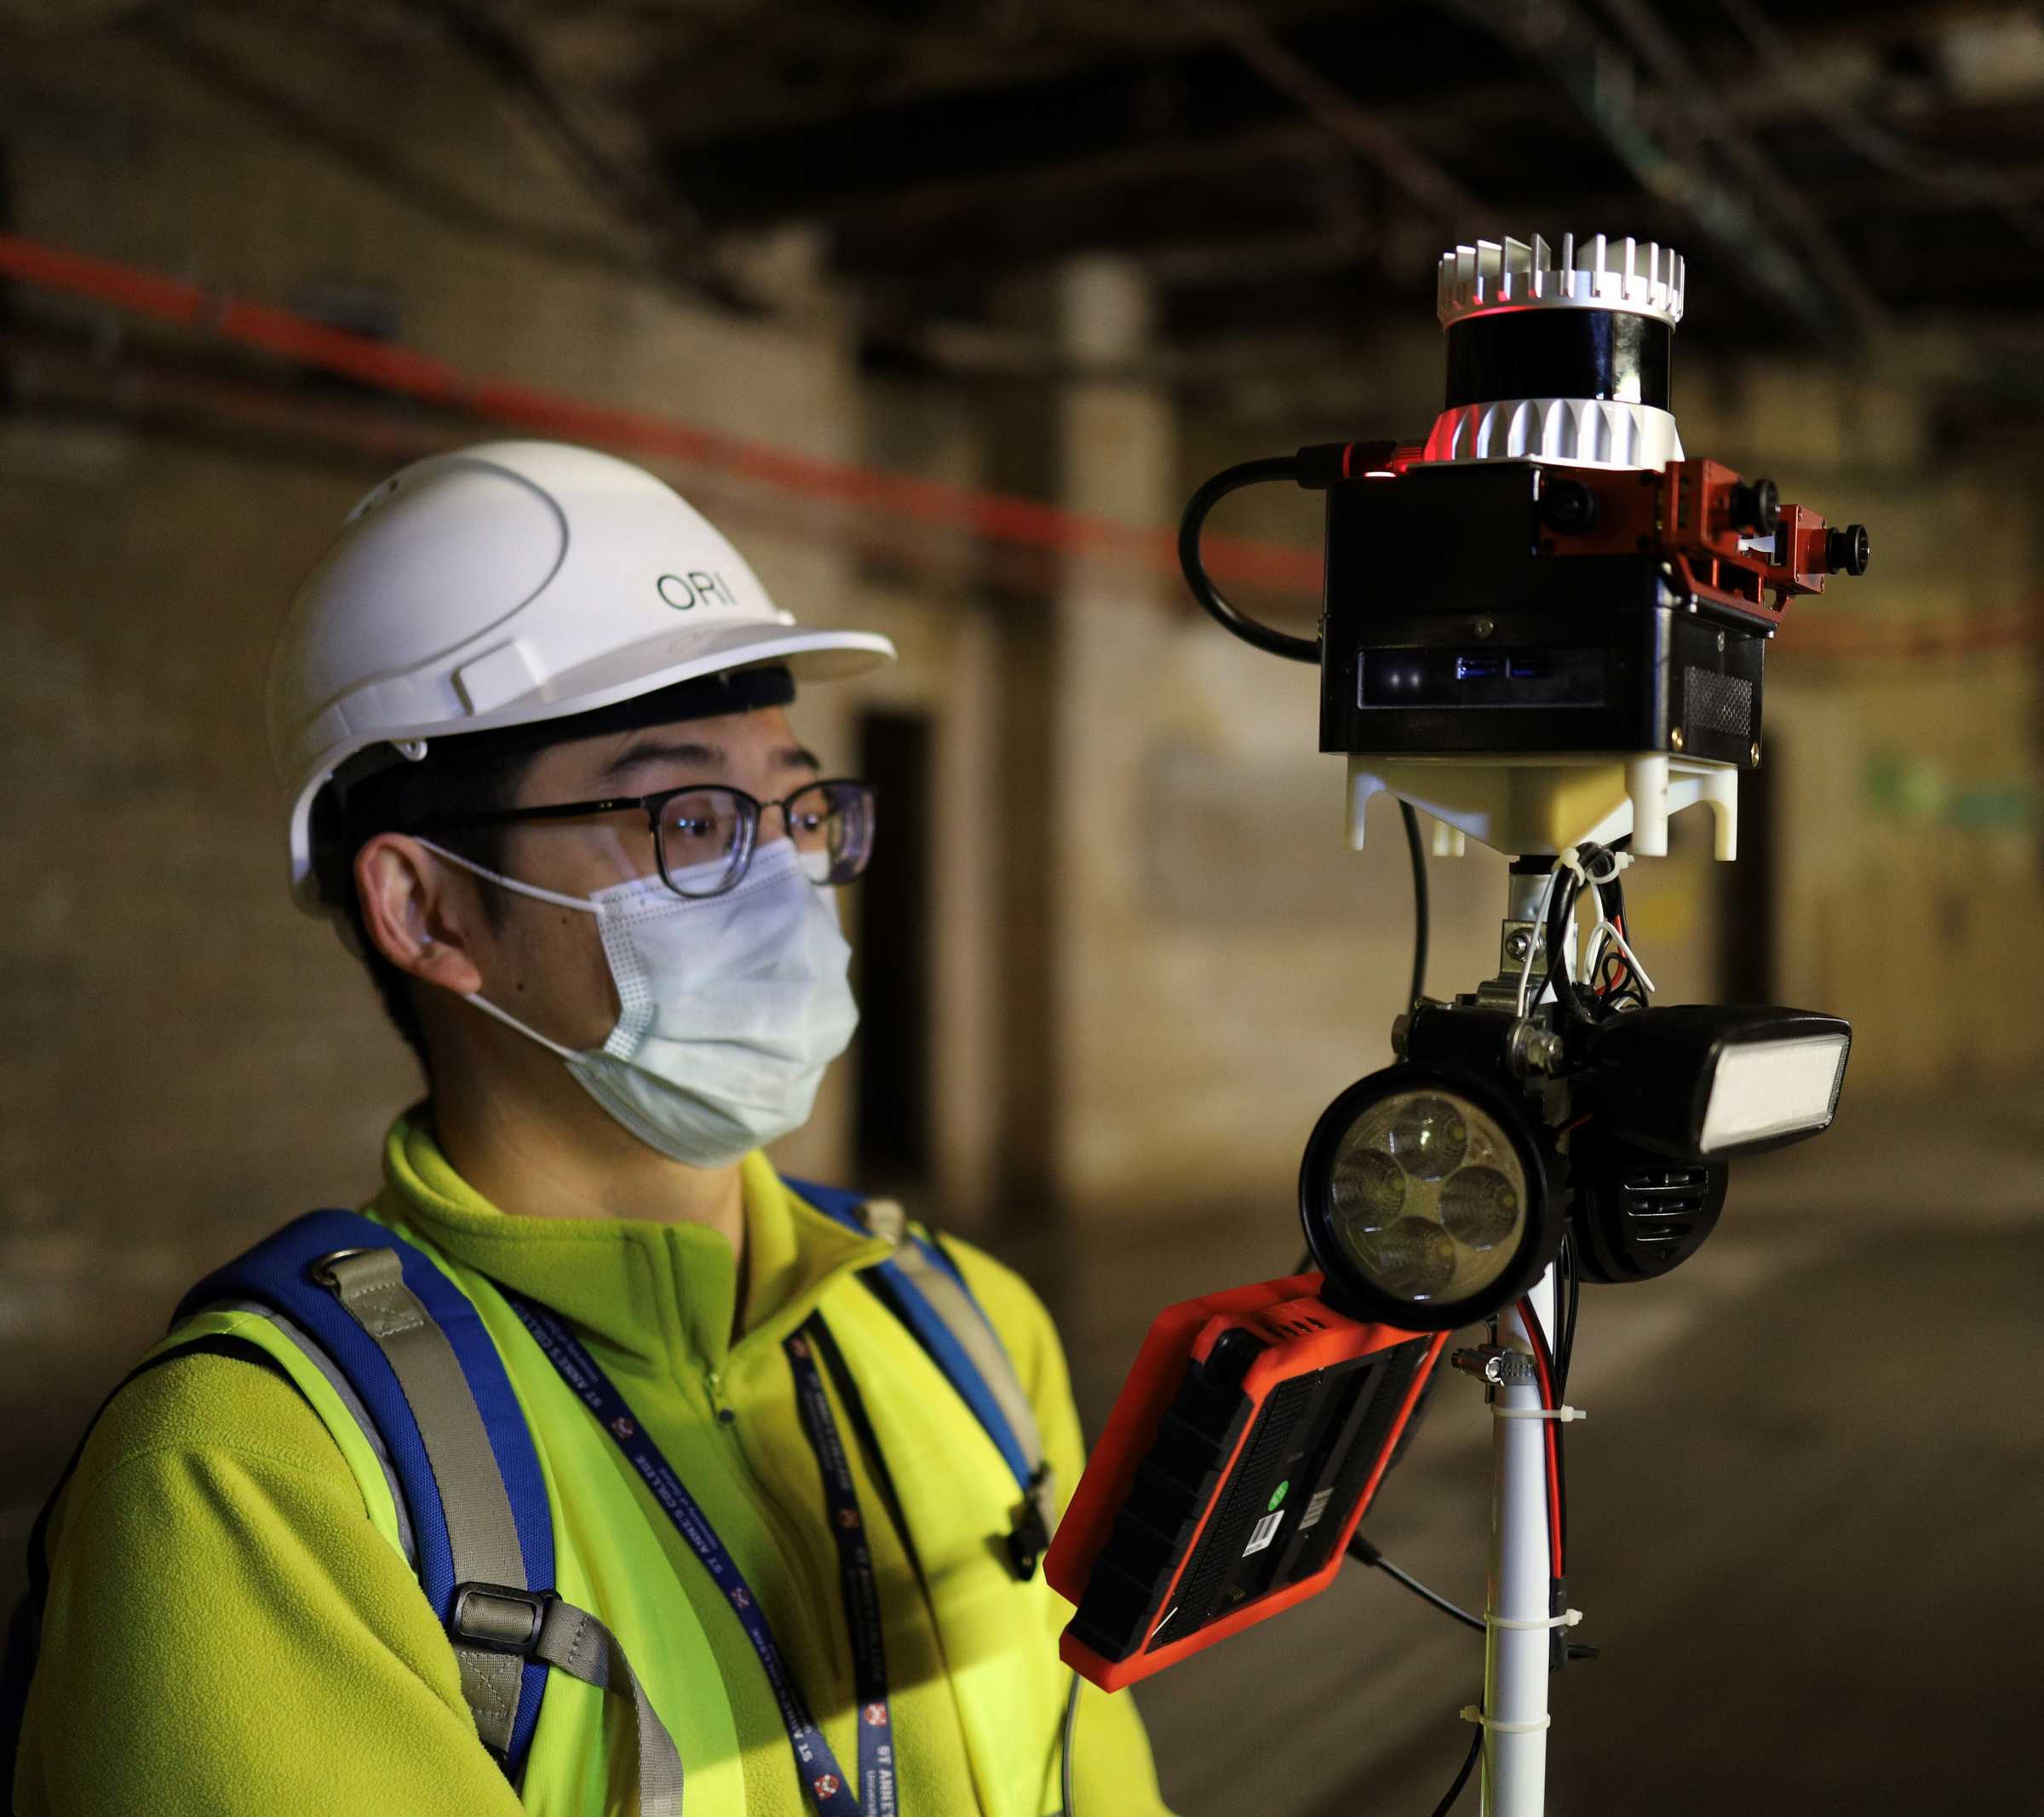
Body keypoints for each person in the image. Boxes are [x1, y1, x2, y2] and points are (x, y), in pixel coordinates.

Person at [11, 441, 1174, 1816]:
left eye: (801, 809)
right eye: (689, 818)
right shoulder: (250, 1477)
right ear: (427, 910)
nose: (788, 882)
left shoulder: (971, 1329)